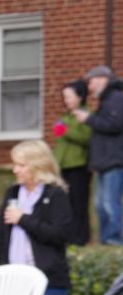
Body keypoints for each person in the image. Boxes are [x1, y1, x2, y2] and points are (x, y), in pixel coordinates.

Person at [0, 140, 72, 295]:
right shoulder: (12, 192)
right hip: (15, 280)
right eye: (15, 164)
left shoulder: (55, 194)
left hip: (48, 281)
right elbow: (0, 237)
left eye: (21, 165)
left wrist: (24, 219)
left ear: (37, 165)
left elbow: (61, 234)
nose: (15, 170)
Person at [75, 65, 123, 245]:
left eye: (92, 81)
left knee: (111, 204)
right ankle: (106, 241)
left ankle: (114, 241)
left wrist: (88, 119)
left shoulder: (116, 98)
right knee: (100, 206)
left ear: (103, 79)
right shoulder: (107, 100)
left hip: (114, 161)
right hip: (105, 162)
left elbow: (114, 124)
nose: (90, 87)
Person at [51, 80, 92, 245]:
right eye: (64, 97)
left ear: (80, 97)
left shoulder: (87, 115)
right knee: (65, 203)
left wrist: (66, 131)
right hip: (63, 166)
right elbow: (61, 142)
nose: (65, 100)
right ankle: (69, 237)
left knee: (79, 203)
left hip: (79, 166)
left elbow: (86, 138)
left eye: (68, 96)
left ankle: (81, 238)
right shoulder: (65, 117)